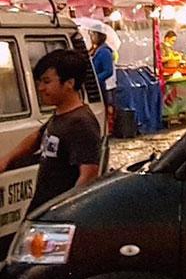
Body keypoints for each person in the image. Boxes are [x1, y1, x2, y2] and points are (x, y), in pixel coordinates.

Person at [0, 49, 102, 214]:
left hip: (57, 215)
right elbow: (37, 137)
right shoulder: (61, 115)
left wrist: (65, 212)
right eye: (40, 82)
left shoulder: (81, 123)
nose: (41, 88)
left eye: (47, 82)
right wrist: (6, 159)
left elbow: (88, 175)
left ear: (69, 83)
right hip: (43, 208)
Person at [89, 30, 116, 107]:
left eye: (93, 34)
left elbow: (108, 71)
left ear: (99, 36)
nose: (91, 37)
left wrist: (95, 79)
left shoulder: (104, 51)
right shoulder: (94, 50)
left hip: (105, 88)